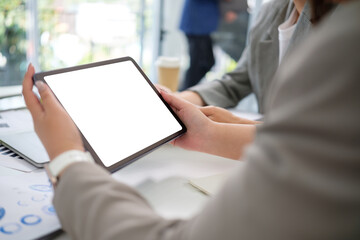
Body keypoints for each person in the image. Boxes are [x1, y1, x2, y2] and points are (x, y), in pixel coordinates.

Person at [22, 0, 360, 239]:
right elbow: (325, 140)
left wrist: (67, 158)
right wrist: (208, 128)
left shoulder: (345, 42)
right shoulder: (274, 12)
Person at [179, 0, 312, 115]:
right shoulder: (271, 12)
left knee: (203, 62)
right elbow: (235, 82)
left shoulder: (330, 26)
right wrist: (178, 100)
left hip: (299, 142)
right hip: (198, 24)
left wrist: (229, 125)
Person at [179, 0, 219, 90]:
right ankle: (184, 93)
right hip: (196, 26)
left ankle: (186, 91)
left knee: (208, 62)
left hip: (202, 27)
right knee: (196, 65)